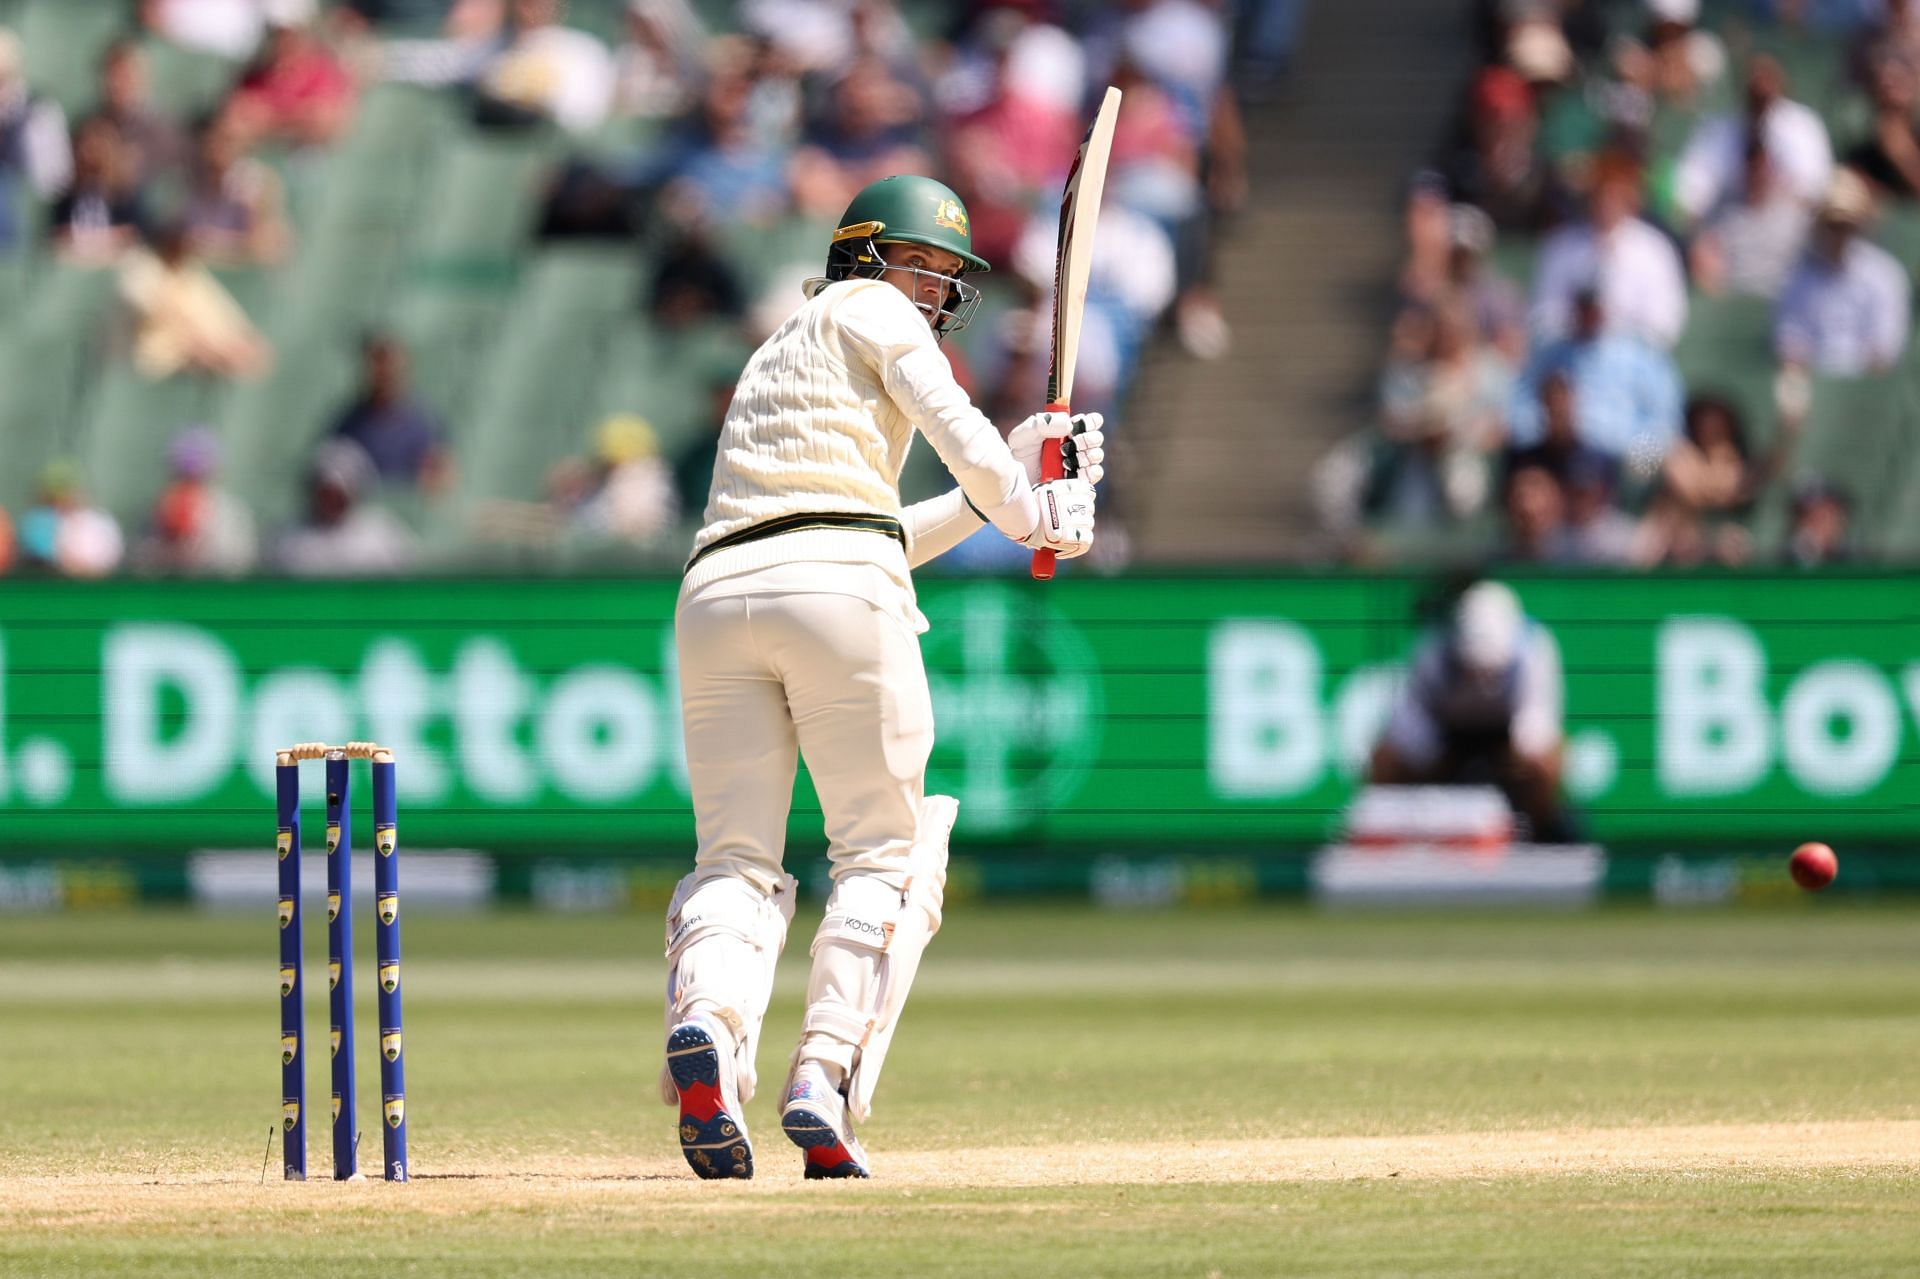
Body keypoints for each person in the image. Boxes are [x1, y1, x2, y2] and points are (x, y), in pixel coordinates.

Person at [660, 175, 1102, 1182]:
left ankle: (709, 1035)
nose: (933, 290)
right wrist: (1038, 514)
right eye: (920, 265)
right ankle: (820, 1075)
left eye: (946, 275)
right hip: (841, 589)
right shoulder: (871, 309)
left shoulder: (785, 348)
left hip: (718, 592)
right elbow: (945, 421)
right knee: (886, 854)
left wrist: (1017, 480)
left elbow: (877, 527)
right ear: (864, 257)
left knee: (734, 859)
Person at [1371, 580, 1571, 841]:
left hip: (1506, 738)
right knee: (1385, 759)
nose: (1482, 679)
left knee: (1548, 763)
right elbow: (1408, 729)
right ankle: (1393, 839)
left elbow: (1536, 729)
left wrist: (1510, 761)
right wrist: (1434, 771)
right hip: (1447, 738)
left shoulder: (1536, 648)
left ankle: (1537, 836)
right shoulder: (1432, 651)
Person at [1530, 151, 1688, 349]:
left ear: (1632, 197)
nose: (1607, 203)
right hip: (1569, 353)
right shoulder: (1561, 245)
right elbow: (1543, 314)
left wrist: (1612, 328)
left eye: (1616, 194)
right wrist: (1579, 324)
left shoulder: (1655, 249)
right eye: (1601, 194)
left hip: (1634, 358)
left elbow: (1665, 323)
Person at [1775, 169, 1910, 375]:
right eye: (1832, 225)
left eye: (1845, 225)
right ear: (1819, 226)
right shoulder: (1798, 278)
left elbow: (1885, 351)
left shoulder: (1885, 276)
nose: (1839, 235)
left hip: (1868, 389)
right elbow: (1790, 344)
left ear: (1859, 226)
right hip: (1814, 385)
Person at [328, 333, 450, 490]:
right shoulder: (348, 426)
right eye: (378, 363)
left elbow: (442, 478)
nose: (385, 372)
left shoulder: (427, 423)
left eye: (390, 365)